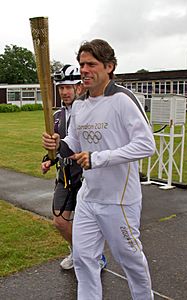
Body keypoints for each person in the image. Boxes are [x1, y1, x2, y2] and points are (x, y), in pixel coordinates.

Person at [42, 39, 155, 299]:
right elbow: (74, 142)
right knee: (83, 260)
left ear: (109, 67)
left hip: (119, 199)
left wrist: (99, 158)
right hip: (88, 197)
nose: (84, 69)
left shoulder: (123, 100)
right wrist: (57, 145)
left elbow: (146, 145)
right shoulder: (80, 105)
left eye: (91, 64)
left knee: (131, 261)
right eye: (82, 64)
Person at [41, 64, 107, 271]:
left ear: (79, 87)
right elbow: (59, 145)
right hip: (65, 174)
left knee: (87, 224)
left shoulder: (90, 112)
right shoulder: (57, 116)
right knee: (60, 221)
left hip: (86, 175)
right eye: (61, 88)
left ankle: (95, 256)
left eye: (68, 87)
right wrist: (48, 159)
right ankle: (76, 252)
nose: (64, 92)